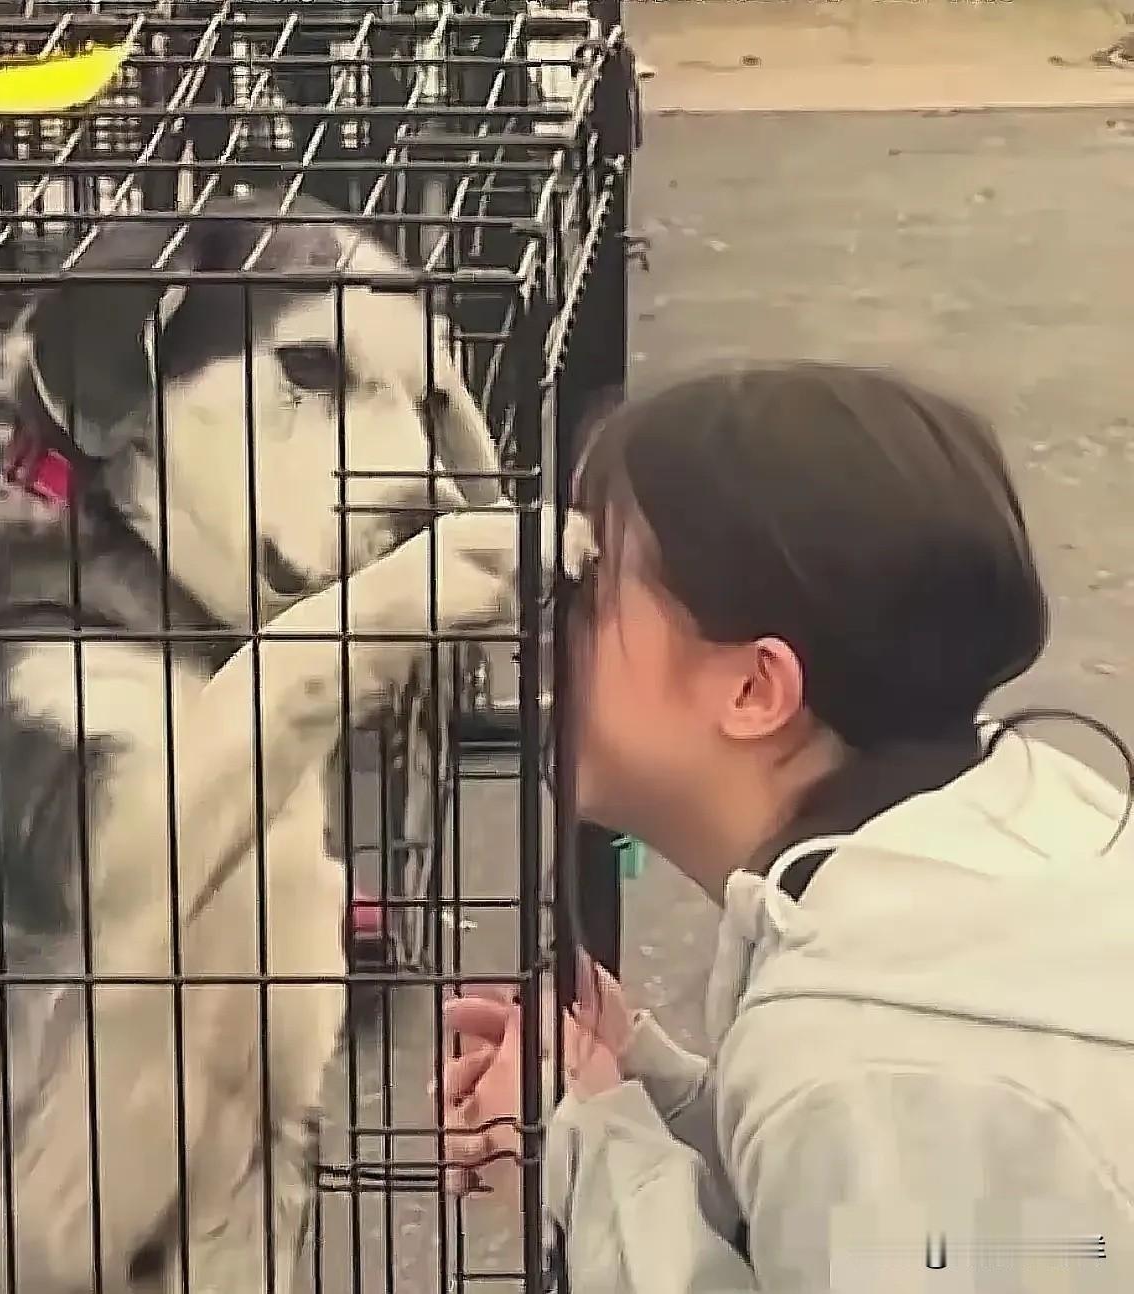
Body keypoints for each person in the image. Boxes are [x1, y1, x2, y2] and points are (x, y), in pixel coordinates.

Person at [440, 362, 1134, 1292]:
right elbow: (942, 1251)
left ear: (753, 689)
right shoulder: (1006, 831)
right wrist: (646, 1098)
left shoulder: (870, 1060)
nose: (539, 621)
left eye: (589, 585)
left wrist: (584, 1161)